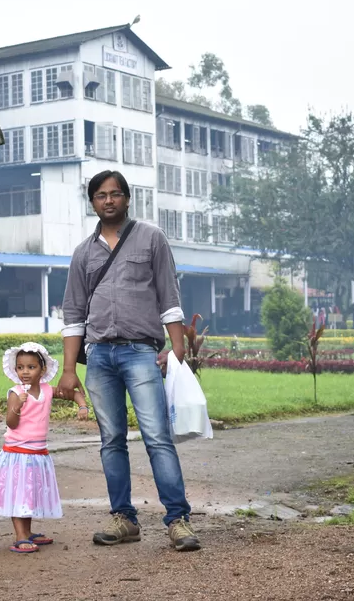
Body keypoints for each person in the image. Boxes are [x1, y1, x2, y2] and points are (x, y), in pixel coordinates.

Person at [58, 170, 201, 552]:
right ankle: (124, 518)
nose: (109, 200)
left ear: (127, 198)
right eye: (101, 195)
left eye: (115, 194)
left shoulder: (151, 238)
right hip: (99, 356)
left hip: (141, 353)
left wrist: (177, 348)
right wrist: (69, 370)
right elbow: (73, 314)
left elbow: (169, 295)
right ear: (92, 202)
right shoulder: (83, 253)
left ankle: (178, 520)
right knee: (111, 441)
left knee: (157, 437)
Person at [0, 342, 89, 554]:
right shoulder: (15, 392)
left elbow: (72, 393)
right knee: (19, 495)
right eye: (20, 367)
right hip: (18, 454)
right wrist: (18, 406)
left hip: (37, 453)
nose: (25, 372)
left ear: (43, 369)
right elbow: (11, 423)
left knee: (28, 494)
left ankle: (28, 533)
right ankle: (20, 536)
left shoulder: (47, 390)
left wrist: (82, 405)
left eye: (31, 367)